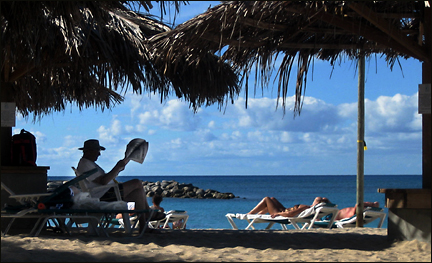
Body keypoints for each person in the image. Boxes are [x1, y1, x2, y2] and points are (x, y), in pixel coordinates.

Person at [76, 139, 164, 233]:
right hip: (103, 195)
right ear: (89, 151)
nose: (99, 154)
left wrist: (118, 169)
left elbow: (105, 179)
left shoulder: (88, 164)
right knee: (137, 182)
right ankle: (147, 212)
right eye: (97, 151)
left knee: (138, 193)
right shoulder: (85, 164)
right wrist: (117, 167)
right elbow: (104, 181)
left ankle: (143, 226)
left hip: (106, 193)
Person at [247, 196, 331, 218]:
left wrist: (278, 214)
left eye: (317, 200)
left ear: (316, 204)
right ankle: (258, 215)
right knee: (272, 199)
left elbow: (291, 214)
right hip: (284, 210)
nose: (315, 200)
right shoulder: (309, 208)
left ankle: (250, 214)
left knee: (267, 199)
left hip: (281, 213)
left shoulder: (306, 207)